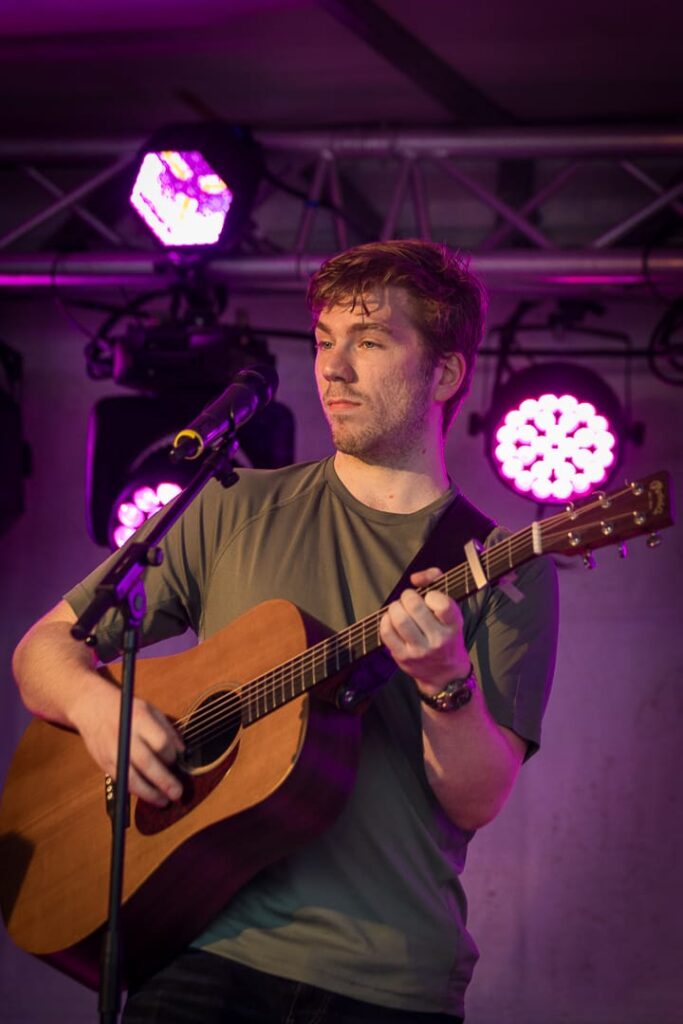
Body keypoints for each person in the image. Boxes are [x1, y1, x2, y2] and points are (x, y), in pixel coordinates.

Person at [12, 239, 559, 1023]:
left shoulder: (501, 567)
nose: (332, 369)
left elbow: (475, 799)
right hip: (197, 949)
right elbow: (44, 649)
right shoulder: (232, 504)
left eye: (369, 342)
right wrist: (102, 710)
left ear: (443, 374)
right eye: (324, 341)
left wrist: (445, 681)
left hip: (385, 978)